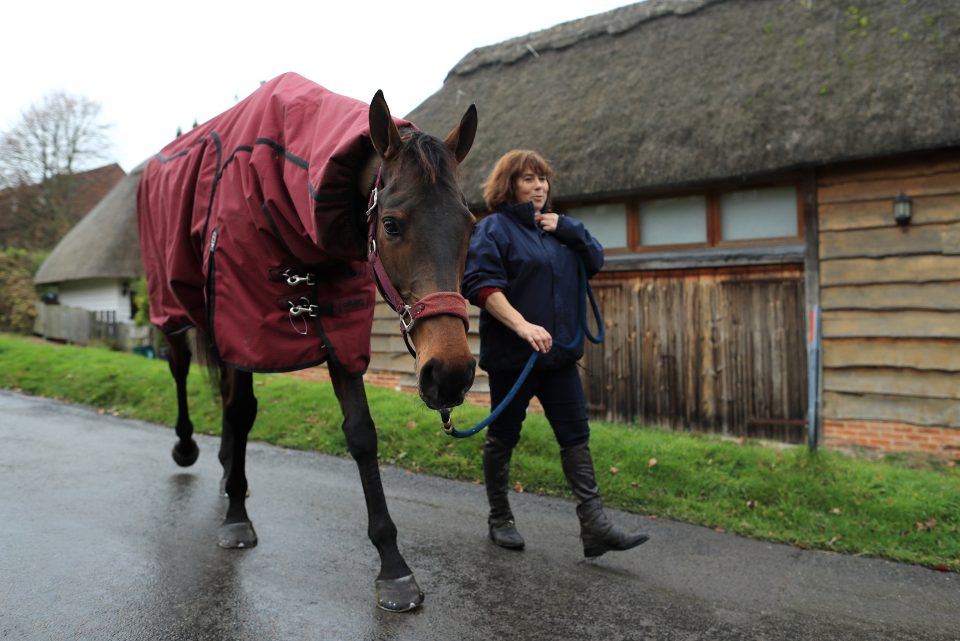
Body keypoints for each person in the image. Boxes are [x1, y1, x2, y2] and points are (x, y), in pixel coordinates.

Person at [462, 149, 649, 558]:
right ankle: (500, 518)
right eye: (528, 178)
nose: (539, 186)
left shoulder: (557, 230)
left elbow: (595, 259)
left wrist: (568, 228)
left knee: (575, 435)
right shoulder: (492, 230)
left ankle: (594, 527)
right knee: (504, 436)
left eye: (542, 178)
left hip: (560, 356)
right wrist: (522, 326)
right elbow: (481, 287)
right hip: (515, 359)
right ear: (508, 185)